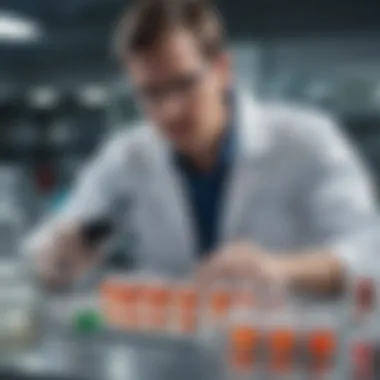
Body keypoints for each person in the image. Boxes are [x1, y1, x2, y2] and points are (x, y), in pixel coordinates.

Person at [25, 0, 379, 294]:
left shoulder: (307, 140)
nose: (169, 110)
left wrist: (282, 269)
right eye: (150, 93)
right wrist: (55, 255)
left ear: (223, 70)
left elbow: (370, 249)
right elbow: (51, 238)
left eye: (183, 84)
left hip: (289, 360)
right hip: (171, 360)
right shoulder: (128, 156)